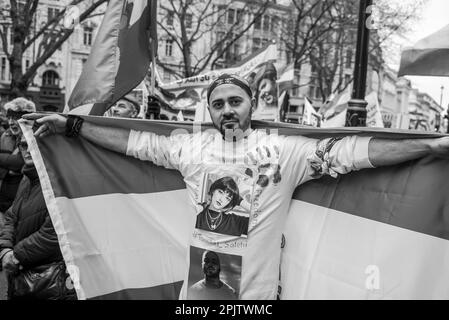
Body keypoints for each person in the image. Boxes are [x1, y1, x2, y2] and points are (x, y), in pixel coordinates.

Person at [24, 74, 449, 300]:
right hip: (207, 287)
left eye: (235, 101)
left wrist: (433, 145)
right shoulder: (189, 149)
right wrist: (74, 125)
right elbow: (132, 144)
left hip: (258, 290)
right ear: (208, 111)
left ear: (252, 106)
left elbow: (358, 152)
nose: (227, 109)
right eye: (218, 103)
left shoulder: (285, 150)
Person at [0, 135, 76, 300]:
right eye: (23, 145)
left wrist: (16, 256)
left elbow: (55, 232)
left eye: (33, 143)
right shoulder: (27, 178)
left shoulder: (61, 179)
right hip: (22, 276)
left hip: (51, 281)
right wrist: (5, 249)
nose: (27, 150)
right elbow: (11, 217)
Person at [0, 98, 35, 214]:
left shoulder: (34, 136)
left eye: (15, 118)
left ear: (26, 119)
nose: (10, 122)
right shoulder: (5, 136)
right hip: (3, 197)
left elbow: (20, 162)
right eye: (9, 117)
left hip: (21, 202)